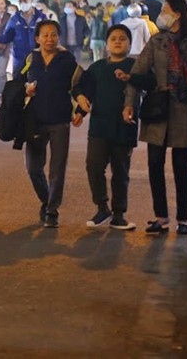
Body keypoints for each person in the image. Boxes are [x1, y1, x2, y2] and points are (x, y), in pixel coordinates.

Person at [123, 0, 187, 234]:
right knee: (155, 163)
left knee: (181, 166)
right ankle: (161, 216)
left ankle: (183, 219)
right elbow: (137, 73)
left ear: (178, 14)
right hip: (158, 107)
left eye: (165, 10)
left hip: (185, 109)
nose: (160, 14)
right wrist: (129, 103)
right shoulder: (156, 41)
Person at [77, 24, 155, 230]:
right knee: (93, 166)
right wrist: (80, 107)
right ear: (106, 44)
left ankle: (119, 214)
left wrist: (131, 78)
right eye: (113, 38)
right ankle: (102, 207)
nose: (118, 41)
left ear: (130, 44)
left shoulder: (136, 66)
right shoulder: (96, 68)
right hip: (99, 127)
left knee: (120, 171)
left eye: (123, 38)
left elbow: (150, 82)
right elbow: (83, 89)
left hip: (124, 127)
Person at [21, 20, 88, 228]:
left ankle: (51, 210)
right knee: (33, 168)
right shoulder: (31, 58)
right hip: (35, 121)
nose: (49, 39)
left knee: (57, 169)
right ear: (37, 38)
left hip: (60, 120)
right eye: (45, 35)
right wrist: (26, 89)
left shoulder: (67, 59)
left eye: (53, 35)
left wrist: (80, 109)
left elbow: (79, 85)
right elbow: (18, 79)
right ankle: (46, 199)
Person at [0, 0, 47, 76]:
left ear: (31, 0)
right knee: (18, 86)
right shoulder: (14, 19)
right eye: (20, 1)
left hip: (38, 58)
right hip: (19, 60)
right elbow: (7, 37)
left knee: (38, 85)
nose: (22, 4)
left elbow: (47, 36)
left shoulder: (41, 18)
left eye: (25, 1)